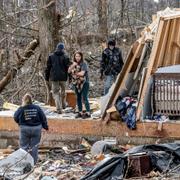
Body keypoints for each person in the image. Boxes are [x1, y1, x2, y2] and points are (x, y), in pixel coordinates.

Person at [14, 93, 48, 164]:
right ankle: (33, 163)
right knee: (34, 147)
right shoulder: (37, 108)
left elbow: (15, 117)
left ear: (23, 100)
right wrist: (45, 127)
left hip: (24, 129)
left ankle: (23, 162)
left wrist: (20, 123)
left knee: (24, 147)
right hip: (36, 129)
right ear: (31, 100)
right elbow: (43, 118)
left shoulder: (21, 109)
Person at [45, 42, 70, 114]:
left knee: (55, 93)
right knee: (63, 91)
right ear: (63, 49)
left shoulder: (51, 56)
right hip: (63, 77)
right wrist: (70, 77)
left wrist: (47, 77)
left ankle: (59, 109)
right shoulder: (66, 56)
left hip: (54, 77)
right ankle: (64, 105)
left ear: (57, 48)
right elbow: (68, 68)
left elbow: (48, 68)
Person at [68, 51, 90, 119]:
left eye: (79, 56)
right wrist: (73, 65)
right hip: (76, 83)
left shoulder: (84, 63)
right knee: (78, 98)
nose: (77, 57)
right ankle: (80, 112)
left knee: (85, 97)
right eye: (76, 56)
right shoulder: (73, 64)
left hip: (84, 82)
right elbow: (68, 71)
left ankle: (88, 112)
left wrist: (74, 73)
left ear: (81, 57)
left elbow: (82, 73)